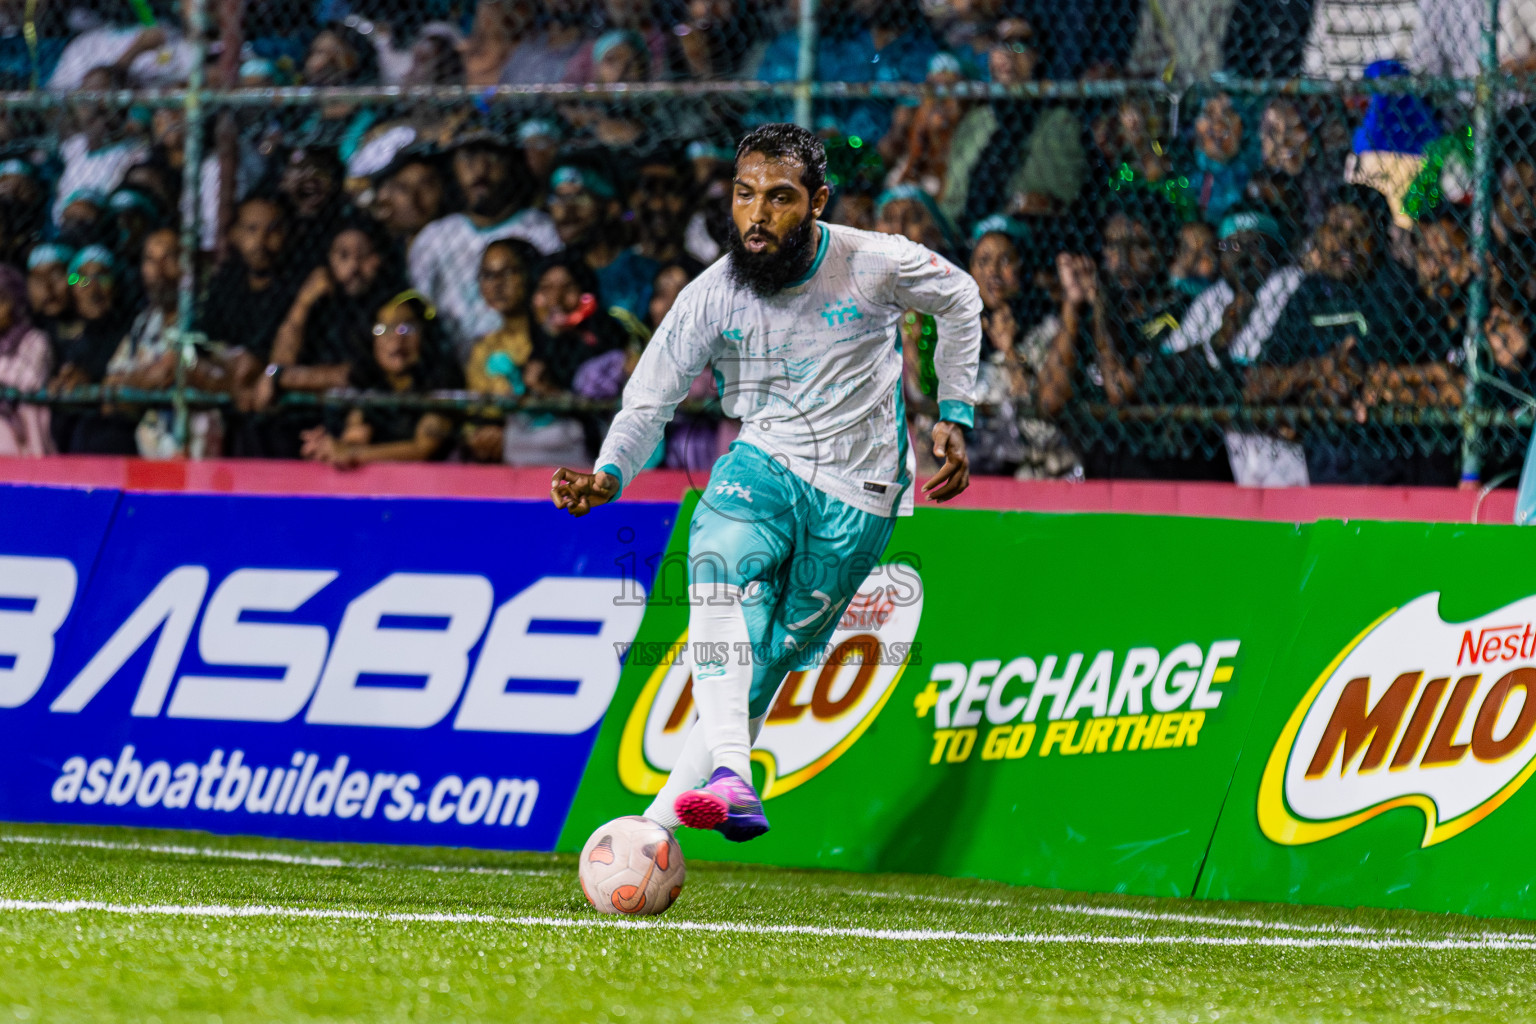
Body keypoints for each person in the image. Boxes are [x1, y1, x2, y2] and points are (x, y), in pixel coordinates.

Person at [549, 124, 980, 842]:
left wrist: (955, 411)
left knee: (759, 664)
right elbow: (649, 398)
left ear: (817, 201)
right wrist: (611, 472)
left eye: (779, 198)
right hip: (765, 461)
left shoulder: (871, 263)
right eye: (744, 196)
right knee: (717, 564)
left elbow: (960, 298)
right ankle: (733, 780)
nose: (756, 215)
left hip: (860, 493)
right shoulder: (710, 295)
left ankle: (658, 828)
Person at [409, 128, 562, 360]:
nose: (480, 169)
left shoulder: (542, 232)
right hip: (449, 366)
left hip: (527, 359)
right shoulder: (433, 238)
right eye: (468, 157)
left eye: (492, 156)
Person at [103, 228, 233, 459]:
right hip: (151, 462)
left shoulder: (210, 317)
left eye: (169, 258)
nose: (159, 271)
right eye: (150, 260)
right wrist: (151, 378)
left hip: (204, 461)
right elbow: (110, 392)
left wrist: (175, 375)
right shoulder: (143, 325)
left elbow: (230, 382)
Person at [300, 291, 463, 466]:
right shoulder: (367, 380)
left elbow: (422, 448)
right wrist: (327, 446)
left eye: (407, 328)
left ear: (426, 335)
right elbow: (355, 433)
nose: (397, 339)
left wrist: (353, 453)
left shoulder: (443, 378)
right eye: (383, 329)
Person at [547, 163, 658, 325]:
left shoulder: (643, 273)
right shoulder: (550, 275)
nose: (567, 210)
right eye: (558, 199)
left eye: (580, 198)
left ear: (611, 208)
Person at [0, 263, 54, 456]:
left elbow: (27, 382)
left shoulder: (34, 340)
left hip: (25, 439)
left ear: (16, 301)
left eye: (2, 300)